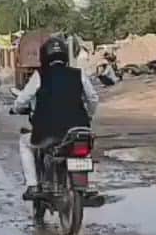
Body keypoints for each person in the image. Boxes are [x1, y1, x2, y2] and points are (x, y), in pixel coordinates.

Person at [11, 36, 99, 201]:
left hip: (48, 133)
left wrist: (15, 108)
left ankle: (32, 185)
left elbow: (23, 99)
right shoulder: (78, 74)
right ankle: (88, 185)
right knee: (83, 150)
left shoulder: (40, 75)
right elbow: (93, 98)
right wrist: (89, 115)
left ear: (44, 56)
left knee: (24, 142)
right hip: (77, 129)